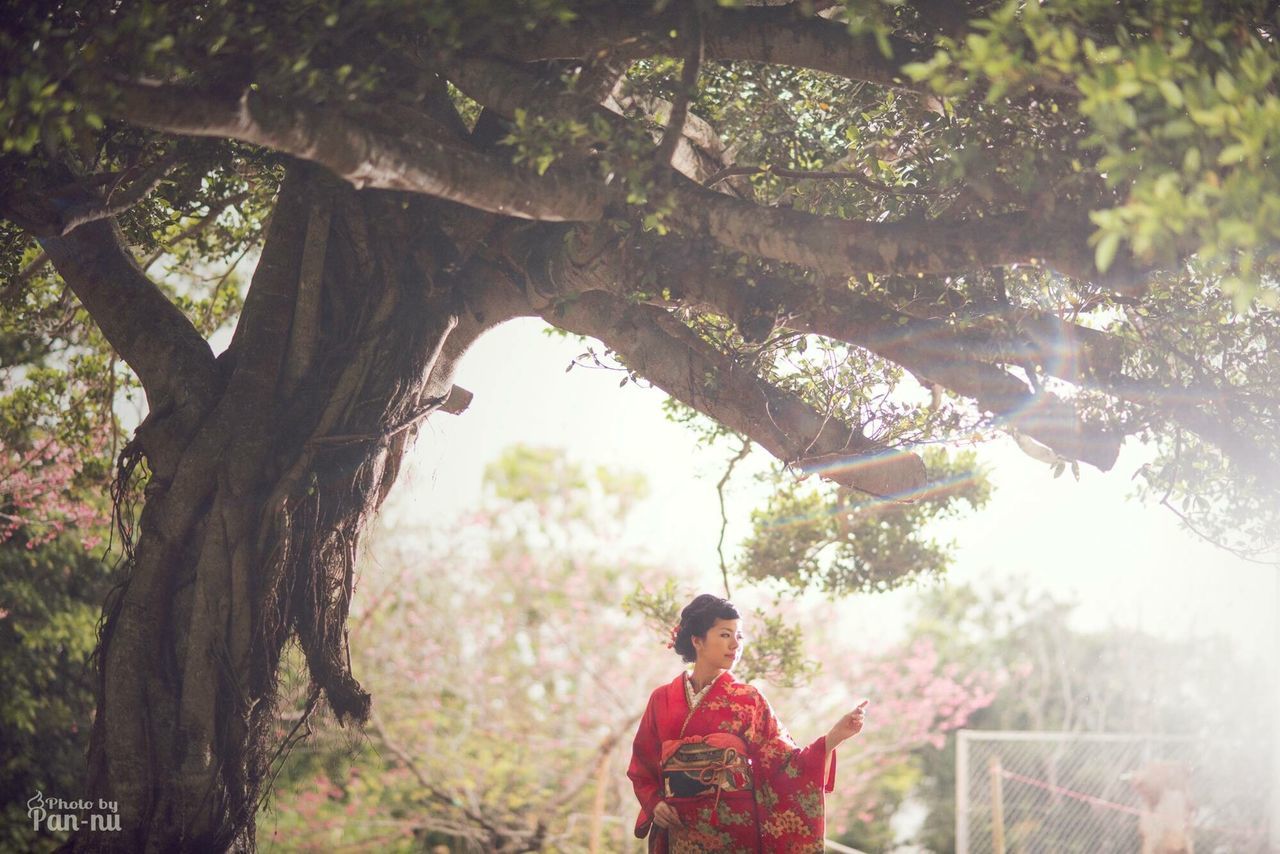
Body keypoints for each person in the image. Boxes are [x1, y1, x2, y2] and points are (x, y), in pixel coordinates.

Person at [627, 594, 868, 853]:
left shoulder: (748, 699)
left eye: (739, 636)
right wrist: (654, 803)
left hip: (736, 833)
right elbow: (642, 766)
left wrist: (835, 737)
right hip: (680, 830)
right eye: (725, 634)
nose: (735, 644)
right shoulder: (662, 698)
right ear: (697, 640)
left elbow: (785, 765)